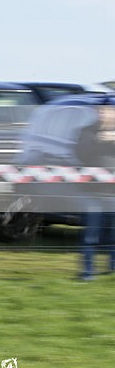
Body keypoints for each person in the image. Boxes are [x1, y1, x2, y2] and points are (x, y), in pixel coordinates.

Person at [75, 104, 115, 280]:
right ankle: (88, 272)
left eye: (107, 111)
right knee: (90, 235)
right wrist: (97, 142)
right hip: (92, 193)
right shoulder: (87, 132)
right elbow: (81, 155)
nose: (103, 115)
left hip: (113, 194)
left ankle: (113, 269)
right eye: (100, 111)